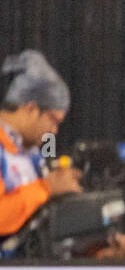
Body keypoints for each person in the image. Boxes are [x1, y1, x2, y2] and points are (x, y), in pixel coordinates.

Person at [0, 50, 82, 239]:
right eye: (54, 121)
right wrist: (47, 188)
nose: (55, 131)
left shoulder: (33, 152)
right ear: (31, 109)